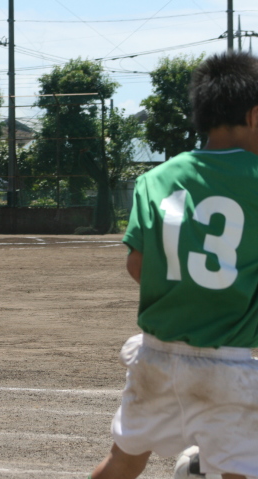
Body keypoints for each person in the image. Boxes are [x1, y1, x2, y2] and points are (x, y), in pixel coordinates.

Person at [90, 51, 258, 479]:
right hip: (229, 363)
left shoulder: (156, 178)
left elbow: (137, 264)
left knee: (123, 461)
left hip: (156, 356)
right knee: (239, 471)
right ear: (254, 115)